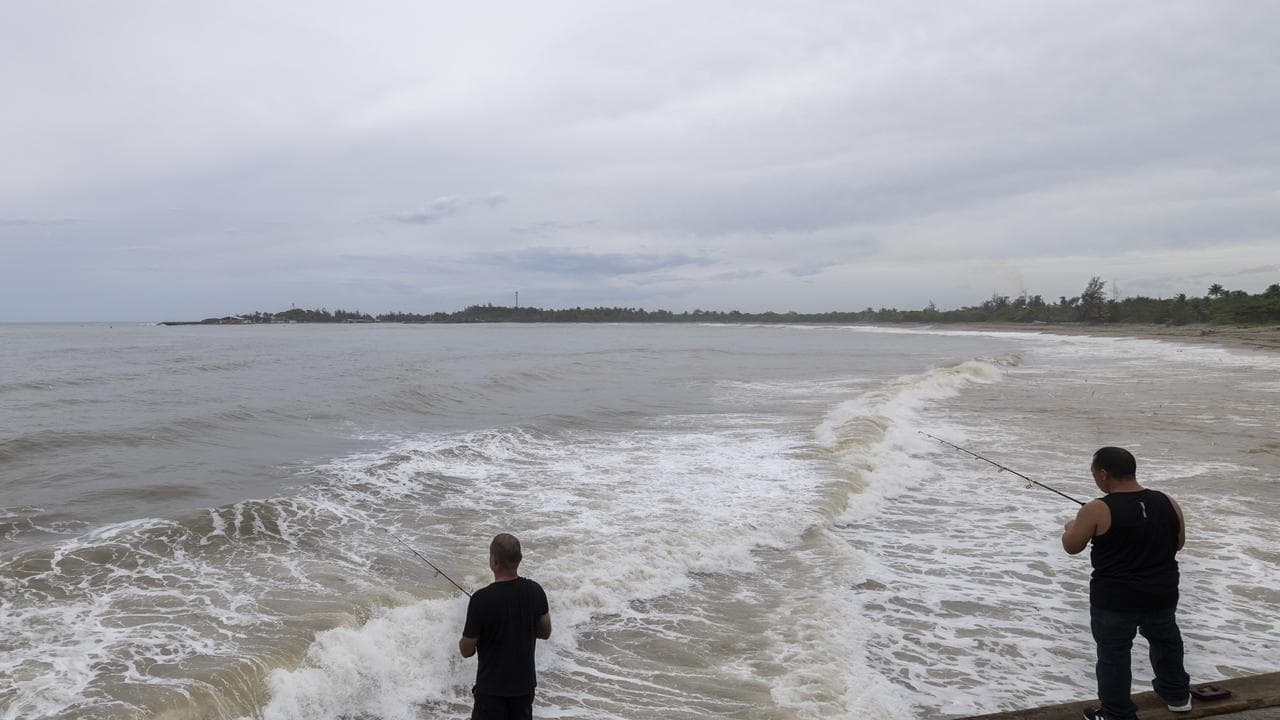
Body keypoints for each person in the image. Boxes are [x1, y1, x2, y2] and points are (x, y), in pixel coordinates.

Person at [1062, 446, 1191, 720]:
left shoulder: (1097, 508)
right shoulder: (1167, 500)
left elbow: (1072, 546)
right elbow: (1178, 543)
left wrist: (1071, 525)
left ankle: (1117, 713)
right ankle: (1178, 696)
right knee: (1166, 642)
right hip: (1162, 592)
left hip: (1115, 599)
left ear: (1104, 473)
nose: (1095, 478)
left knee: (1113, 655)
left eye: (1094, 473)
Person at [459, 533, 552, 720]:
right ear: (519, 559)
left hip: (492, 691)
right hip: (524, 688)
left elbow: (467, 650)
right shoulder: (535, 590)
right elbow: (545, 632)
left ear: (493, 561)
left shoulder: (481, 599)